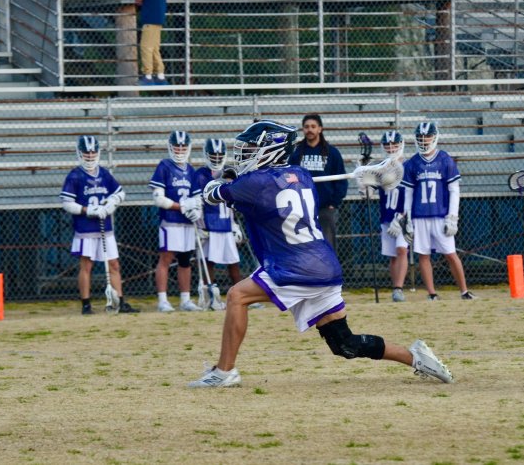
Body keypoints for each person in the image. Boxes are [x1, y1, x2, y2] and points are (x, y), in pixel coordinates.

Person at [188, 120, 453, 387]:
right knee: (345, 344)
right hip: (323, 264)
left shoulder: (255, 183)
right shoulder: (301, 175)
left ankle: (224, 372)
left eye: (251, 149)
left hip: (294, 266)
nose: (244, 155)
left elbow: (213, 194)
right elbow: (265, 189)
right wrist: (239, 178)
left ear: (269, 150)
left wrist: (226, 181)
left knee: (236, 296)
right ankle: (416, 357)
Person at [394, 122, 475, 301]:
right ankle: (432, 293)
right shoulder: (413, 162)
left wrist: (453, 216)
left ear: (435, 136)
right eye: (421, 137)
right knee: (423, 254)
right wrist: (407, 217)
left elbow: (454, 190)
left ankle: (464, 291)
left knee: (450, 253)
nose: (424, 140)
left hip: (440, 214)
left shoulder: (444, 159)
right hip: (420, 215)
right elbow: (408, 192)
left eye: (427, 136)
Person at [60, 135, 138, 315]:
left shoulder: (103, 173)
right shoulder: (75, 176)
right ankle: (86, 304)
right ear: (80, 153)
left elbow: (120, 193)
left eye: (93, 151)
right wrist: (88, 210)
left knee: (114, 264)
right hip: (86, 228)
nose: (90, 155)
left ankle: (120, 301)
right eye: (86, 152)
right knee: (86, 265)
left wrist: (112, 202)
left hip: (105, 227)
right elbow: (67, 203)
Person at [149, 131, 204, 312]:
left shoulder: (191, 170)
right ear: (170, 146)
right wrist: (182, 206)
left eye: (183, 146)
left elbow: (197, 197)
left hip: (187, 223)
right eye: (176, 146)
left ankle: (185, 299)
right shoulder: (164, 166)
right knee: (166, 258)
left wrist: (196, 210)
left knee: (185, 260)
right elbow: (159, 199)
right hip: (170, 221)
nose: (179, 150)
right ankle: (163, 300)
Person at [288, 113, 347, 249]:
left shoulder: (332, 153)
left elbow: (341, 180)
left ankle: (329, 271)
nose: (310, 130)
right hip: (301, 208)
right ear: (303, 129)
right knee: (304, 246)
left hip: (325, 208)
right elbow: (288, 177)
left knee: (327, 245)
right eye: (306, 127)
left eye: (313, 126)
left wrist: (334, 202)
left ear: (320, 129)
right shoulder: (296, 153)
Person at [193, 139, 243, 294]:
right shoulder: (201, 175)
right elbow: (198, 202)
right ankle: (211, 294)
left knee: (233, 261)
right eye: (213, 155)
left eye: (219, 155)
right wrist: (200, 225)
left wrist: (234, 224)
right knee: (209, 261)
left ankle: (241, 292)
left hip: (226, 223)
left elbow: (234, 200)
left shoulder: (229, 172)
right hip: (210, 223)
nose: (216, 158)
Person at [376, 131, 409, 303]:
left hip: (404, 216)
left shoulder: (408, 166)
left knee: (402, 249)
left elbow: (412, 193)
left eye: (394, 144)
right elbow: (369, 189)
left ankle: (399, 288)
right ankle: (395, 287)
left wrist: (404, 216)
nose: (391, 148)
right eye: (388, 145)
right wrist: (362, 182)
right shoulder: (380, 168)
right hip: (387, 215)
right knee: (393, 254)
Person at [135, 0, 168, 86]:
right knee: (154, 48)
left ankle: (147, 76)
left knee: (145, 47)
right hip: (159, 19)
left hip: (149, 20)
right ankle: (160, 76)